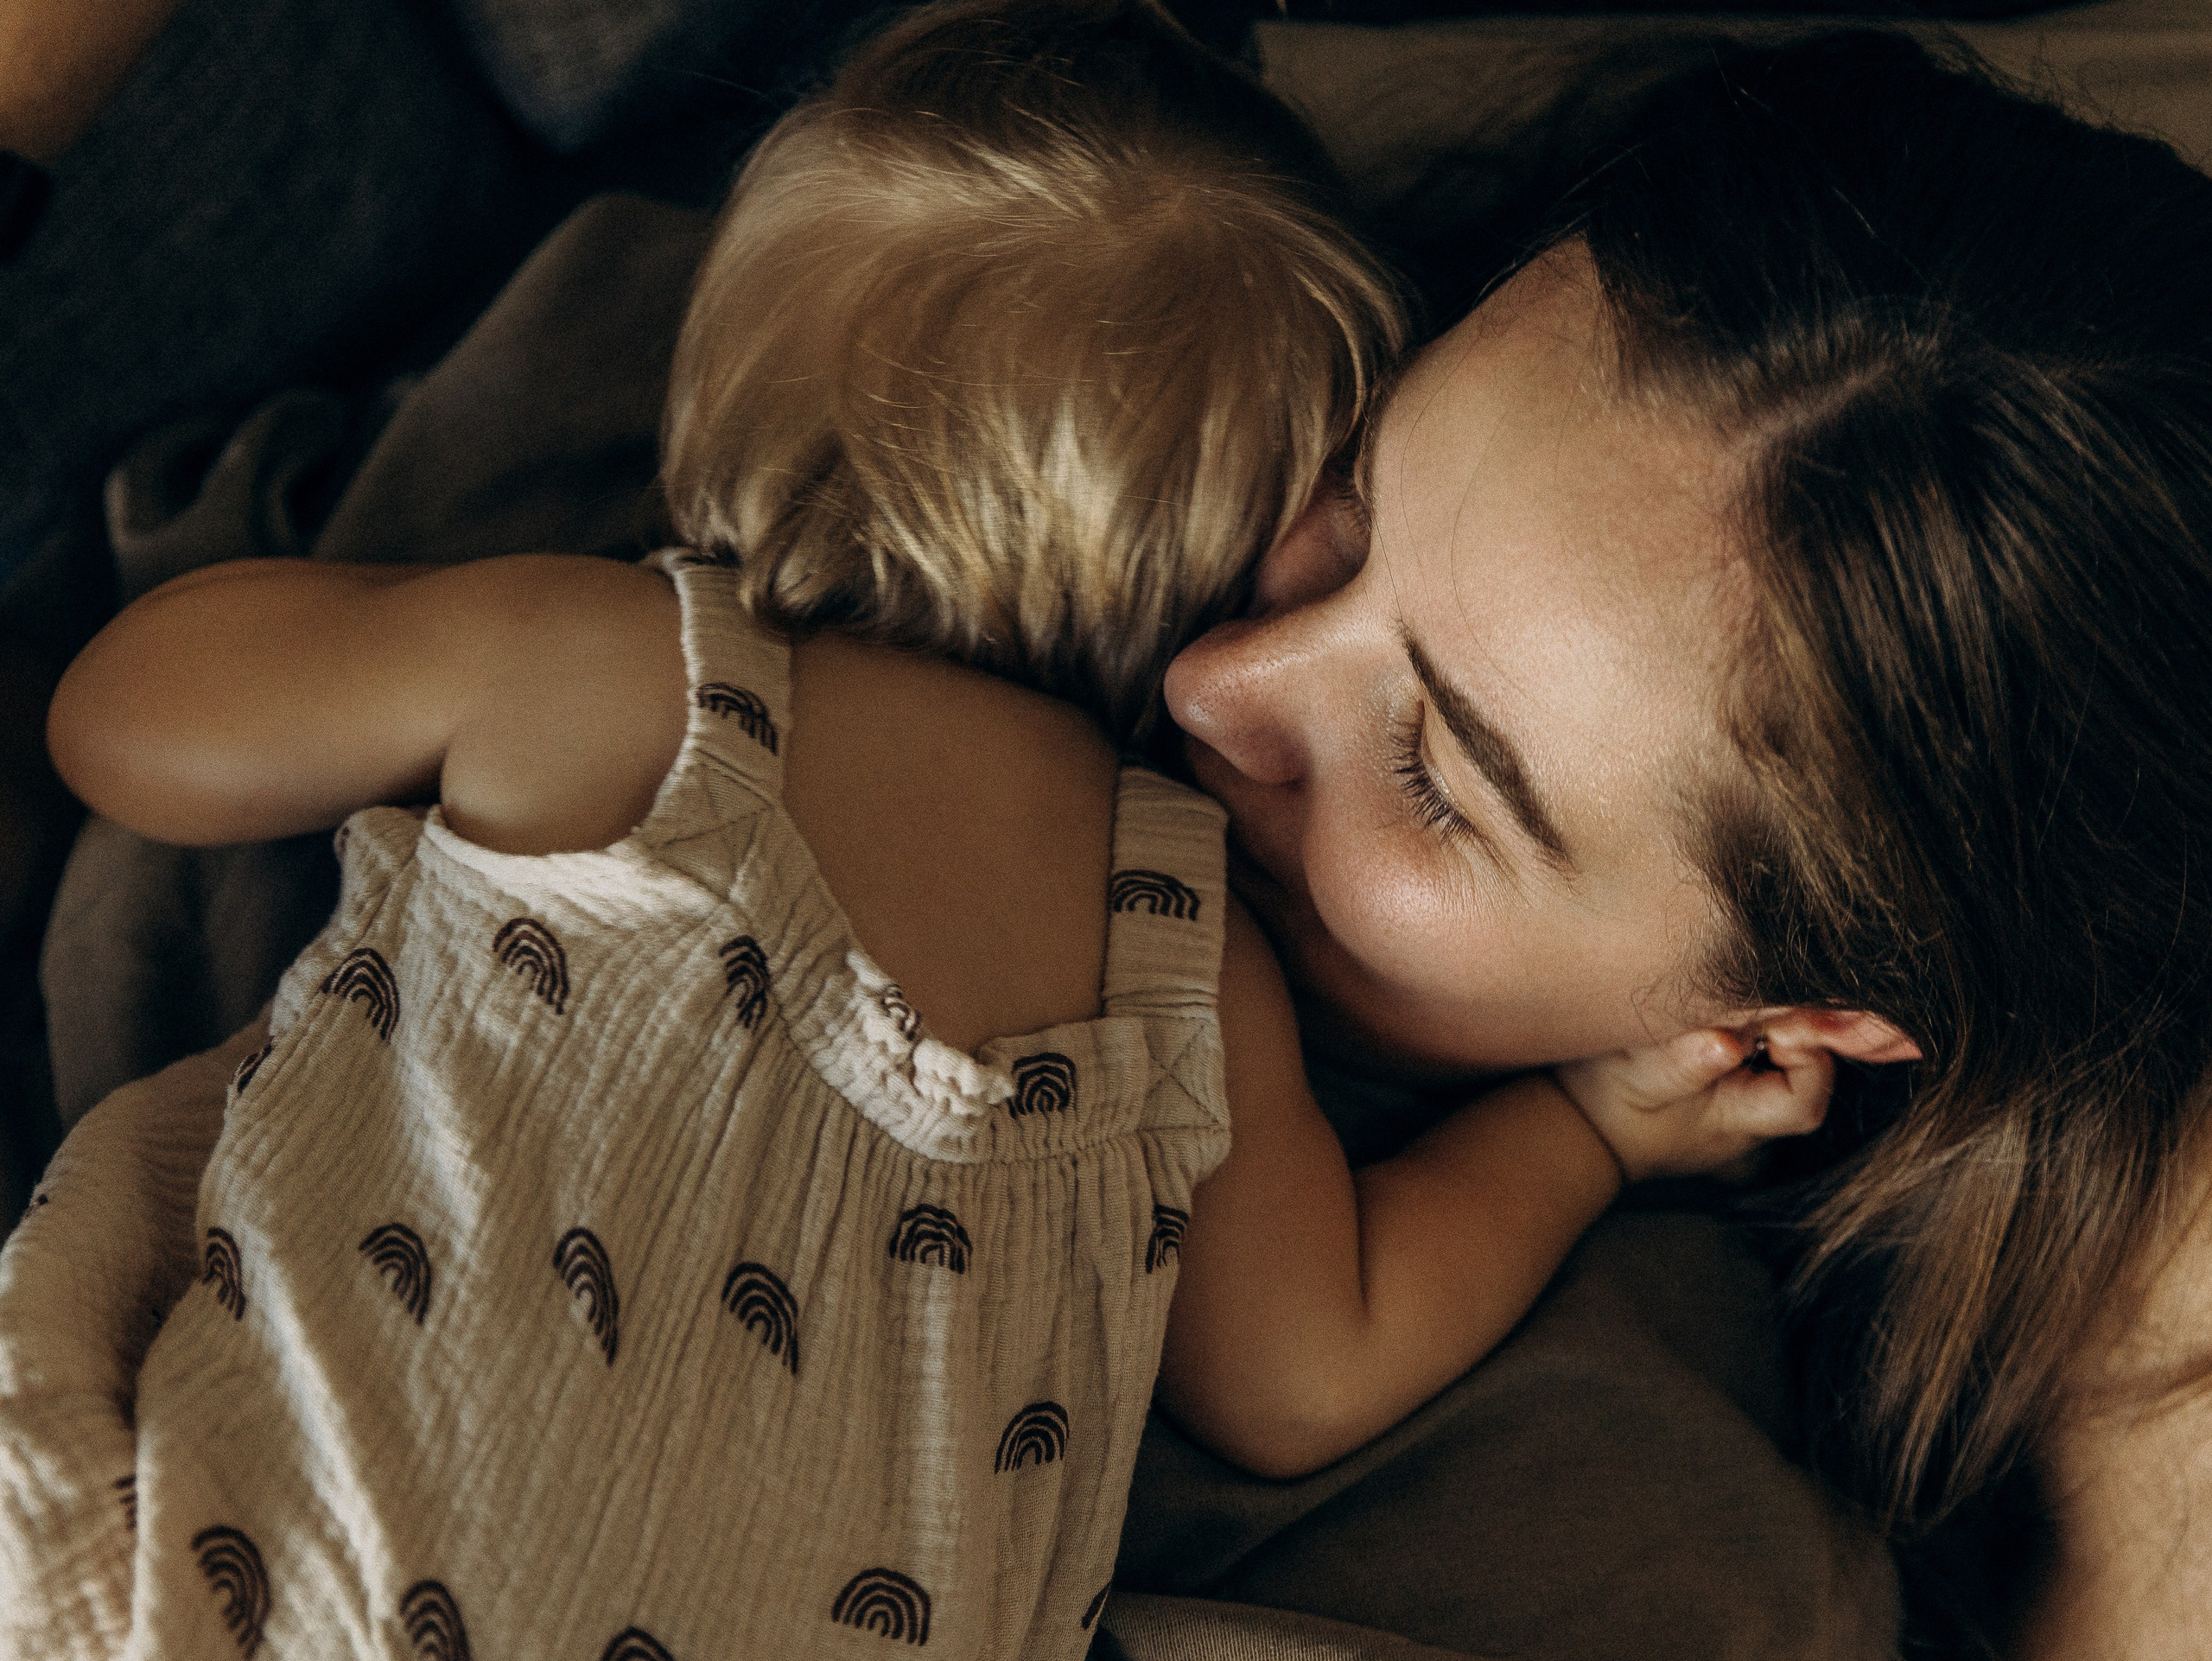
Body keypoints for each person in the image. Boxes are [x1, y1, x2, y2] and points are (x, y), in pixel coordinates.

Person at [32, 3, 1844, 1655]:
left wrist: (408, 630)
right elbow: (1303, 1371)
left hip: (236, 1579)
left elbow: (123, 733)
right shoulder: (1176, 932)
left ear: (720, 419)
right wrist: (1590, 1126)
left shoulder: (597, 665)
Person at [1156, 27, 2212, 1654]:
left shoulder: (1659, 1533)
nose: (1211, 684)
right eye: (1354, 509)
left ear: (1790, 1021)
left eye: (1439, 779)